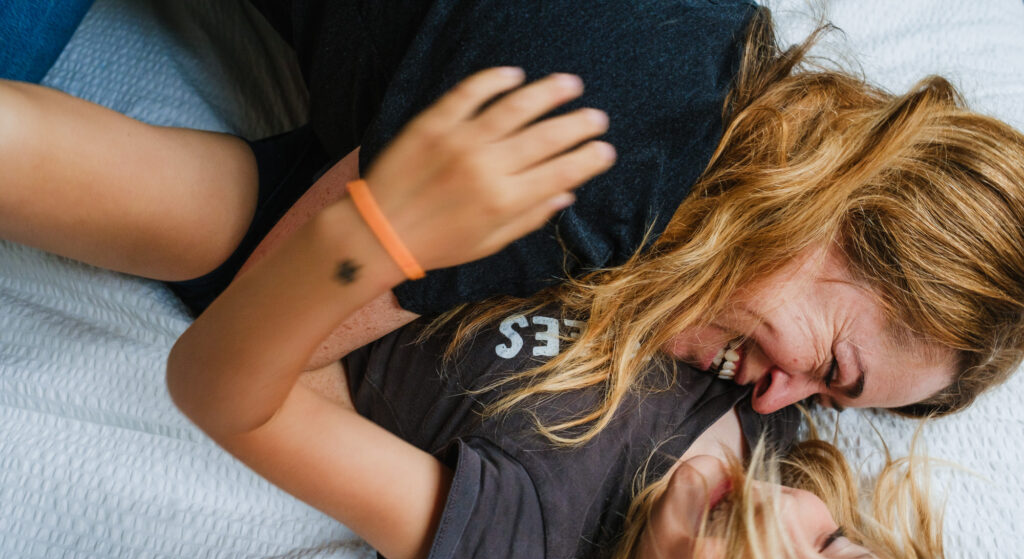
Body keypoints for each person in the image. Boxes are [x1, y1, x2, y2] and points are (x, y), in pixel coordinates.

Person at [0, 63, 980, 559]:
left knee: (28, 153)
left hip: (302, 242)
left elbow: (226, 392)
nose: (774, 517)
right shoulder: (769, 414)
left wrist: (383, 232)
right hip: (468, 101)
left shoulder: (529, 548)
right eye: (835, 543)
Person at [231, 0, 1024, 438]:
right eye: (830, 366)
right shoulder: (607, 172)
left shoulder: (714, 49)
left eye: (819, 402)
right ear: (846, 210)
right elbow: (250, 337)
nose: (774, 401)